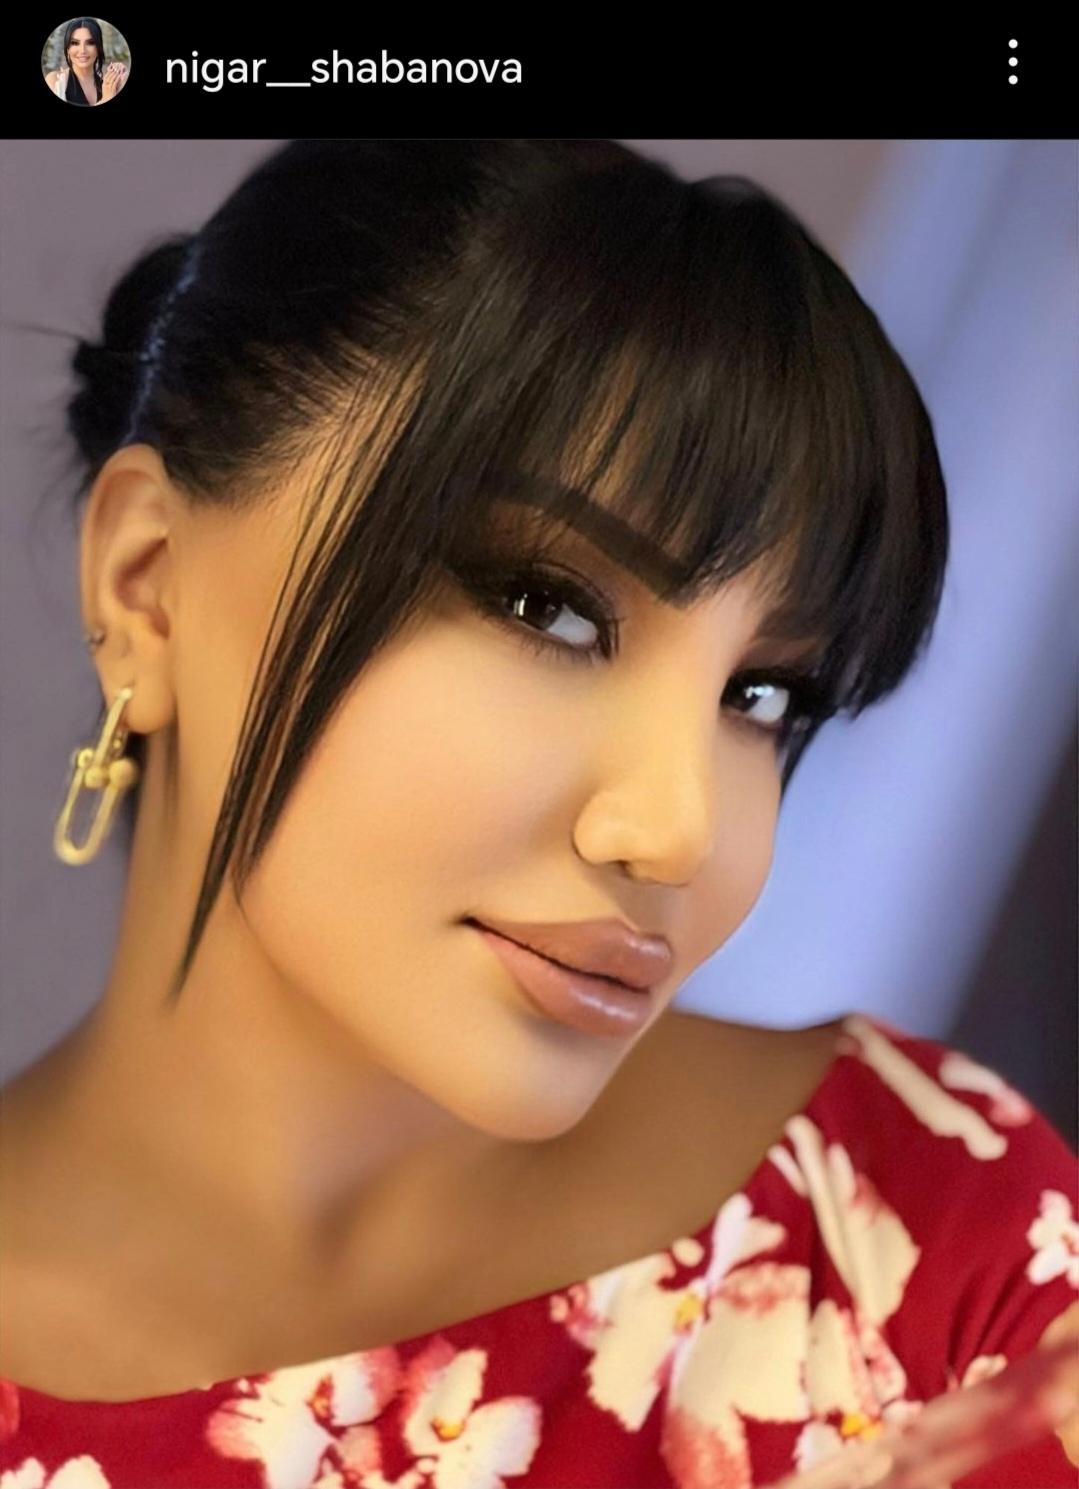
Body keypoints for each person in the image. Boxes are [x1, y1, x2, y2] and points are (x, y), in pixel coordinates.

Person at [0, 140, 1074, 1488]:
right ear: (148, 585)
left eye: (761, 695)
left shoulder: (931, 1254)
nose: (677, 829)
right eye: (547, 609)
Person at [44, 18, 127, 106]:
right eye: (75, 43)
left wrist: (119, 86)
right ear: (68, 49)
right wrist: (105, 99)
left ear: (98, 48)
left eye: (90, 42)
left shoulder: (108, 85)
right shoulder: (55, 81)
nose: (82, 50)